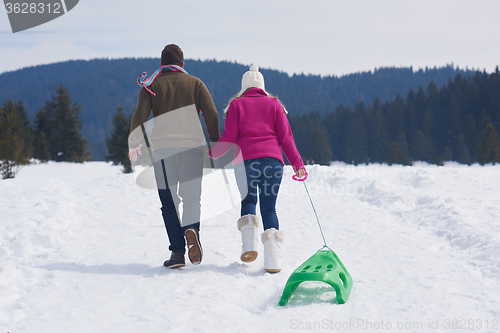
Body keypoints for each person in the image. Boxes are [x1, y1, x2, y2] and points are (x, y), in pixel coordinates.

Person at [129, 44, 220, 269]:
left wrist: (134, 143)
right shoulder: (196, 83)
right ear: (182, 64)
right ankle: (192, 231)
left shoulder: (151, 86)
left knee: (169, 203)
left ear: (161, 64)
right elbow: (212, 114)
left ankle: (178, 253)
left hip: (162, 151)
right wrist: (215, 142)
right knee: (191, 198)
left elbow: (139, 116)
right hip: (193, 149)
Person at [210, 65, 306, 273]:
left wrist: (214, 153)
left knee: (248, 201)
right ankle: (273, 261)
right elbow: (286, 139)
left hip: (245, 163)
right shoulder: (275, 105)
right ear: (262, 86)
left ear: (244, 86)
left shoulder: (236, 105)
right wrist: (298, 164)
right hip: (273, 163)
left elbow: (229, 137)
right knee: (269, 208)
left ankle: (249, 245)